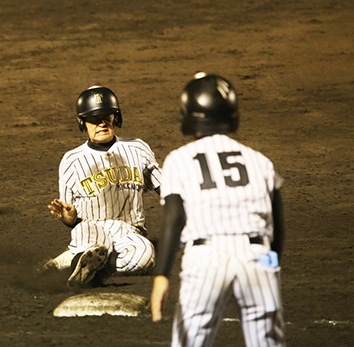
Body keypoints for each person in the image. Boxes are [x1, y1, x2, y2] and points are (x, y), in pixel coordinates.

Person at [151, 73, 286, 346]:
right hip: (258, 257)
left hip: (206, 258)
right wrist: (270, 264)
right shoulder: (260, 161)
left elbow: (175, 218)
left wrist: (161, 275)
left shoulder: (178, 160)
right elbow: (278, 228)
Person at [45, 86, 162, 287]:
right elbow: (69, 213)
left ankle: (78, 263)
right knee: (93, 244)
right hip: (90, 228)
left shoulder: (138, 148)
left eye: (106, 116)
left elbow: (166, 188)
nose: (101, 123)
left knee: (144, 258)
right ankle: (84, 259)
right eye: (93, 118)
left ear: (115, 117)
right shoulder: (71, 160)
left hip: (130, 232)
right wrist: (69, 219)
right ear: (82, 122)